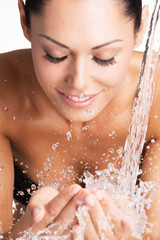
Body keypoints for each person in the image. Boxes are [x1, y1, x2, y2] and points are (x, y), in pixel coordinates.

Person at [0, 0, 160, 239]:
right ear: (25, 21)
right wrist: (22, 237)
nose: (79, 83)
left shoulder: (155, 100)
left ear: (140, 29)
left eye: (104, 58)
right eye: (55, 55)